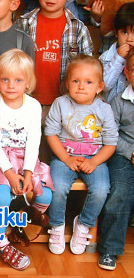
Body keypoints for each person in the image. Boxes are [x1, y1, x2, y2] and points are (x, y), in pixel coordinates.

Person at [16, 0, 93, 162]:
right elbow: (12, 62)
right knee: (27, 153)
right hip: (27, 100)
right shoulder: (23, 24)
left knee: (57, 154)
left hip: (64, 102)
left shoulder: (78, 28)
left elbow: (89, 69)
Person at [0, 49, 53, 270]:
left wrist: (27, 173)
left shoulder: (33, 106)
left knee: (46, 195)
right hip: (1, 161)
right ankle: (2, 242)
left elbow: (34, 140)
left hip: (27, 160)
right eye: (5, 79)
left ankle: (19, 225)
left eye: (18, 80)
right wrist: (9, 173)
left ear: (28, 83)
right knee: (1, 195)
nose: (11, 85)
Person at [45, 55, 118, 255]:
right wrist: (66, 158)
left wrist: (94, 162)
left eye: (88, 82)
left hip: (95, 159)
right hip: (64, 157)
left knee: (101, 189)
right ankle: (56, 225)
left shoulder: (104, 109)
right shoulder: (60, 103)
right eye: (76, 81)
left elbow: (111, 144)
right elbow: (51, 133)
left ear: (99, 87)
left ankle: (84, 224)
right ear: (67, 83)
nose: (81, 86)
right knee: (57, 187)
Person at [98, 47, 134, 270]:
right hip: (123, 155)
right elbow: (111, 136)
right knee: (119, 191)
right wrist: (130, 152)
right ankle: (110, 248)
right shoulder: (120, 102)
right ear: (127, 73)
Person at [100, 2, 134, 103]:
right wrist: (118, 59)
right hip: (108, 109)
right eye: (124, 32)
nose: (129, 39)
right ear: (116, 33)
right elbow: (104, 86)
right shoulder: (106, 57)